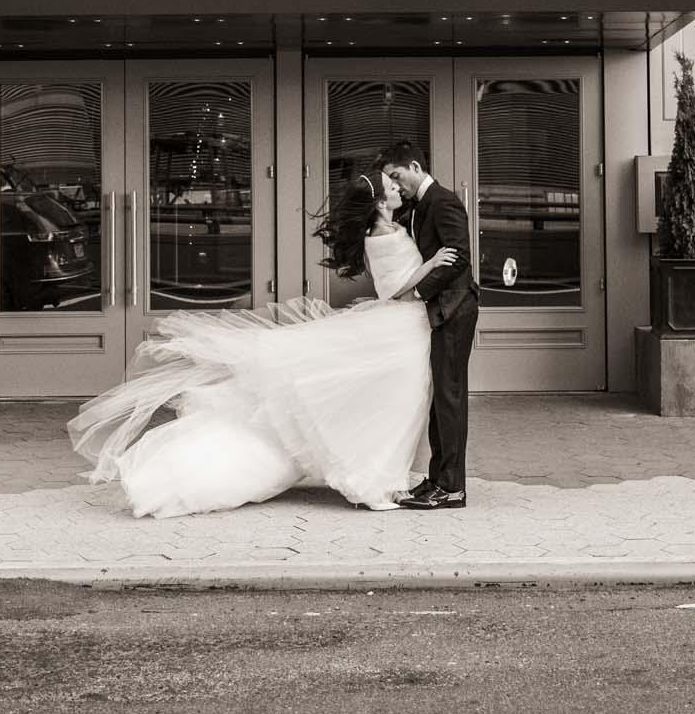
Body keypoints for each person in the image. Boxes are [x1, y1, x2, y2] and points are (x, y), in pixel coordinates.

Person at [69, 172, 448, 517]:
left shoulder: (392, 226)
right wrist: (431, 265)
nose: (398, 189)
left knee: (389, 406)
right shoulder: (380, 235)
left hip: (406, 328)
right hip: (398, 326)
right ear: (379, 202)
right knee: (389, 406)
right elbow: (393, 290)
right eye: (391, 187)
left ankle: (382, 477)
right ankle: (373, 482)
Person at [378, 142, 477, 509]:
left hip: (453, 308)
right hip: (439, 311)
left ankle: (452, 488)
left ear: (416, 167)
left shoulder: (444, 201)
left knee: (449, 398)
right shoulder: (418, 206)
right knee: (440, 400)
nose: (395, 185)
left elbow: (459, 257)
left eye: (397, 176)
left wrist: (418, 292)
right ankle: (437, 479)